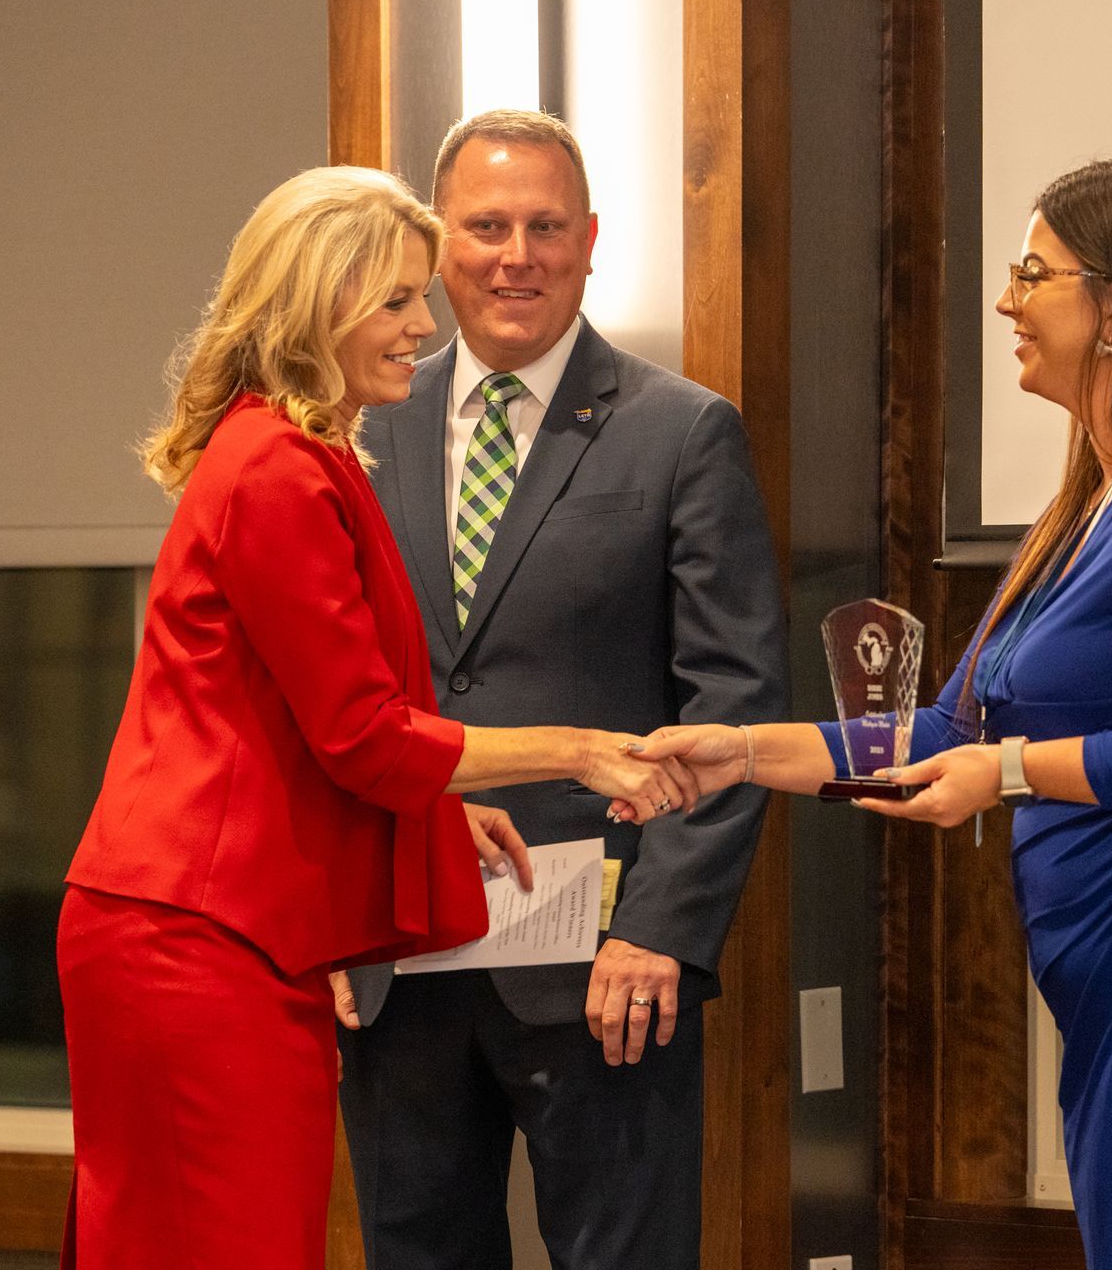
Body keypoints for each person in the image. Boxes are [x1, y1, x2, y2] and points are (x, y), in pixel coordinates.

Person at [634, 153, 1112, 1270]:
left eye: (1033, 274)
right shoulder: (1089, 503)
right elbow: (952, 733)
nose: (1004, 301)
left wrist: (1015, 771)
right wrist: (741, 751)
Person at [57, 165, 698, 1270]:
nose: (423, 325)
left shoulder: (306, 454)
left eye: (417, 297)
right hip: (194, 938)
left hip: (228, 932)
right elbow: (361, 733)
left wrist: (437, 813)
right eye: (395, 301)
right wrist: (581, 750)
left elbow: (297, 720)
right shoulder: (275, 468)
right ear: (318, 307)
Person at [333, 109, 787, 1269]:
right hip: (401, 954)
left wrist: (661, 929)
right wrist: (330, 909)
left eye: (545, 228)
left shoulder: (682, 432)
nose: (516, 256)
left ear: (589, 241)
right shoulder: (359, 430)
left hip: (603, 969)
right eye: (486, 227)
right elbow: (329, 698)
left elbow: (733, 705)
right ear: (438, 245)